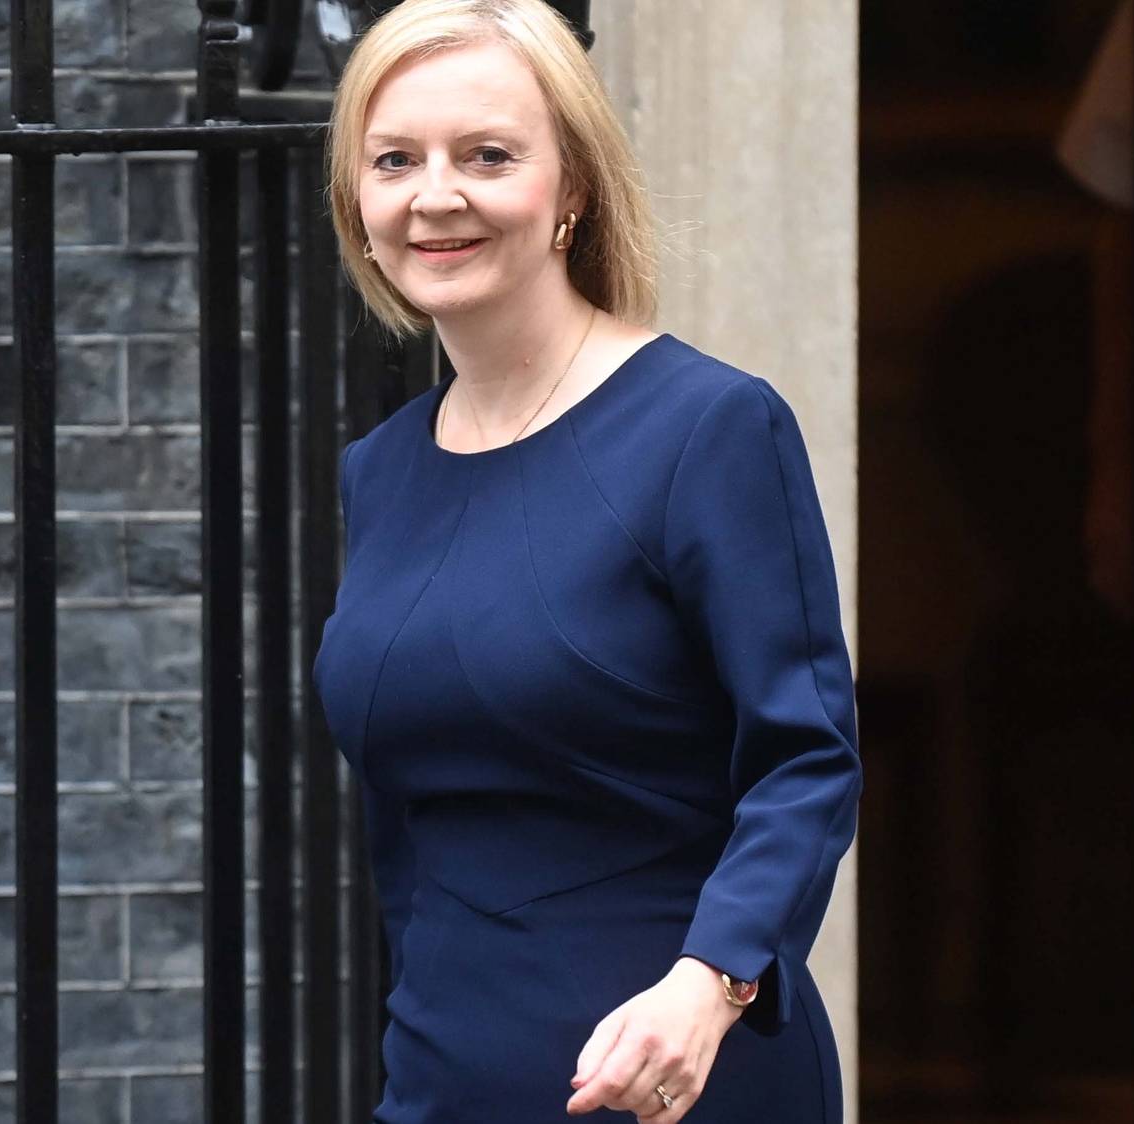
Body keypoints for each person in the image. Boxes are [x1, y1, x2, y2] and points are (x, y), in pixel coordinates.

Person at [310, 2, 862, 1120]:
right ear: (356, 202)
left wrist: (709, 986)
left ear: (570, 190)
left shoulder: (706, 428)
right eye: (393, 159)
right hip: (444, 1072)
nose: (435, 194)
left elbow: (807, 757)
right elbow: (406, 829)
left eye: (487, 156)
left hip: (676, 1076)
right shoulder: (380, 472)